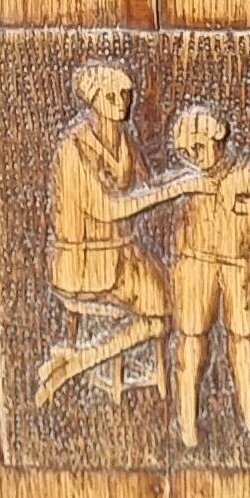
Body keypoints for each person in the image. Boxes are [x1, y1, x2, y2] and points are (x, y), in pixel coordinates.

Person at [34, 63, 198, 410]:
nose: (122, 102)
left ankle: (79, 360)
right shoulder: (73, 149)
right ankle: (80, 361)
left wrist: (189, 179)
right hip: (84, 262)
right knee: (158, 314)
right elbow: (109, 208)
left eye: (125, 94)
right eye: (112, 96)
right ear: (94, 100)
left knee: (170, 309)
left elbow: (148, 185)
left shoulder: (124, 140)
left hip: (124, 257)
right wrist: (177, 188)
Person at [164, 104, 250, 449]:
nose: (194, 157)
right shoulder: (185, 179)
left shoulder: (248, 175)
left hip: (238, 267)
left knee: (242, 340)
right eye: (186, 151)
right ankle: (187, 422)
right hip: (193, 266)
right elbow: (148, 198)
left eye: (198, 147)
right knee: (190, 342)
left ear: (217, 136)